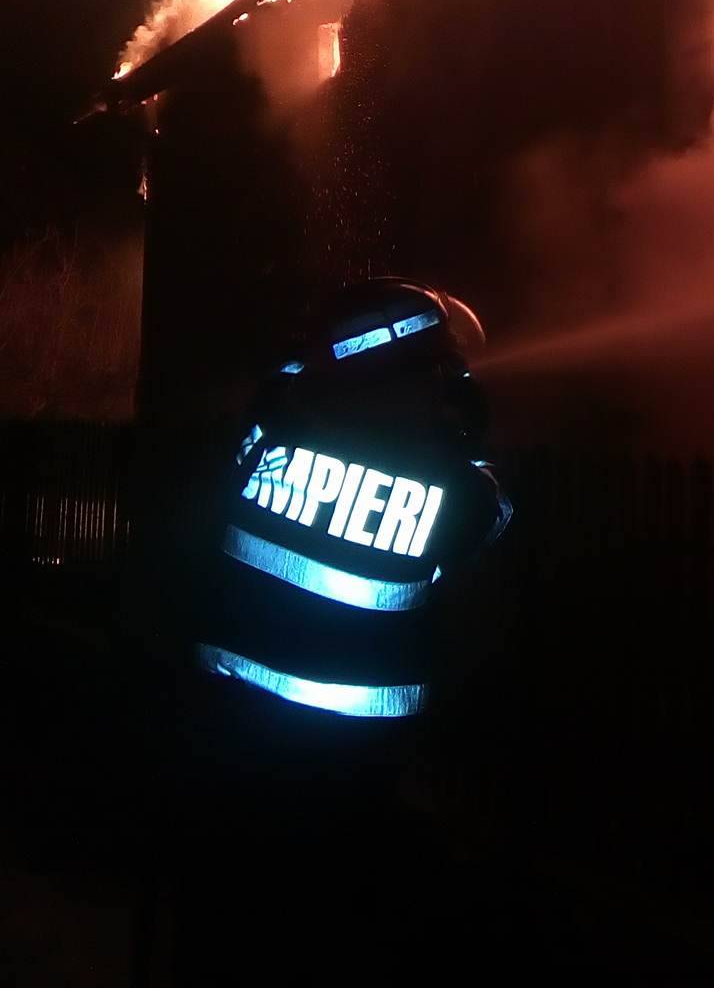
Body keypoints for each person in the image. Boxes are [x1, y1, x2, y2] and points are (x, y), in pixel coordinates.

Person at [135, 278, 509, 983]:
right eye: (433, 371)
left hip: (226, 739)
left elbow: (281, 389)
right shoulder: (445, 489)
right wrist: (470, 429)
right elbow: (493, 511)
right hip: (352, 775)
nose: (441, 387)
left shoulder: (264, 440)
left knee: (216, 937)